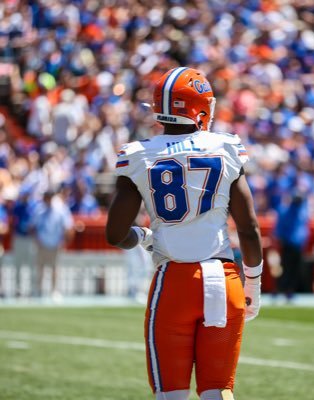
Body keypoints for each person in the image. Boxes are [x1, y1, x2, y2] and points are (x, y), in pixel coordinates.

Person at [106, 67, 263, 400]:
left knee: (171, 394)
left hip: (174, 282)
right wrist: (254, 282)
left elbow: (115, 233)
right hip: (223, 278)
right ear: (200, 108)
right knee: (218, 391)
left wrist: (148, 238)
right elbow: (248, 229)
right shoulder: (226, 146)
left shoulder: (139, 154)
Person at [31, 190, 74, 299]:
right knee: (40, 267)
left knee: (55, 268)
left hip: (56, 243)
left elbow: (68, 226)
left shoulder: (61, 209)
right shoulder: (39, 210)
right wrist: (37, 240)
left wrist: (64, 242)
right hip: (42, 243)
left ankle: (54, 291)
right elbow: (32, 227)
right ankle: (38, 291)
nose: (48, 200)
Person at [274, 188, 310, 301]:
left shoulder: (301, 211)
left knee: (293, 269)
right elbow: (279, 228)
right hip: (289, 244)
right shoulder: (288, 211)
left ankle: (287, 290)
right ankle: (281, 289)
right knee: (286, 268)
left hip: (297, 244)